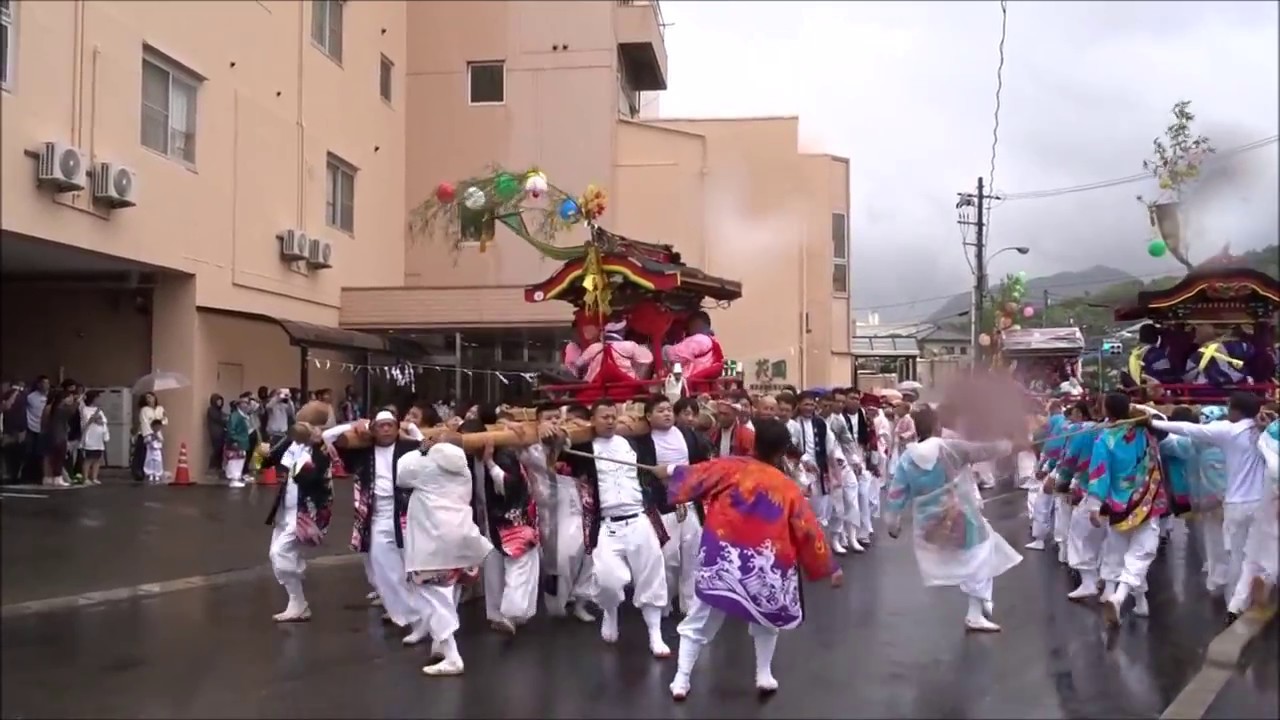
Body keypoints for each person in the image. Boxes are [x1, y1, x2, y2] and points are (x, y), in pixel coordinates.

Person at [660, 418, 842, 700]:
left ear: (755, 444)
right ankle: (763, 673)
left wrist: (669, 471)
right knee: (767, 618)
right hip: (767, 563)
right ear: (782, 450)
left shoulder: (729, 467)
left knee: (701, 617)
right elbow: (808, 529)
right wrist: (828, 566)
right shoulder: (787, 487)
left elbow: (693, 475)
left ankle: (682, 679)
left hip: (723, 557)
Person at [885, 405, 1023, 632]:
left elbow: (897, 492)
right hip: (959, 517)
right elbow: (984, 451)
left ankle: (980, 603)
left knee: (980, 553)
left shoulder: (907, 459)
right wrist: (1011, 445)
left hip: (929, 525)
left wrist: (893, 521)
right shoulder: (950, 448)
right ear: (937, 426)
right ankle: (976, 610)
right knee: (981, 554)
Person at [1145, 392, 1269, 624]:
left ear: (1236, 411)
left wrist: (1153, 421)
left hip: (1234, 504)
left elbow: (1187, 430)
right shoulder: (1264, 432)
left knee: (1233, 553)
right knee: (1254, 555)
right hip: (1259, 503)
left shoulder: (1226, 432)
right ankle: (1253, 591)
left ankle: (1234, 601)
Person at [563, 400, 671, 657]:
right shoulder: (584, 447)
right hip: (608, 525)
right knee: (609, 580)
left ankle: (655, 636)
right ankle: (610, 611)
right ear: (593, 420)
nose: (610, 421)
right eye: (604, 417)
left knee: (651, 577)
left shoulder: (633, 441)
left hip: (638, 519)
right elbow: (556, 450)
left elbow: (650, 424)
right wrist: (568, 424)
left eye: (613, 416)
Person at [324, 411, 427, 643]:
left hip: (406, 512)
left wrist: (413, 430)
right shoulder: (362, 451)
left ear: (396, 427)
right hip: (377, 514)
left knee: (414, 567)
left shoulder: (407, 448)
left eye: (390, 425)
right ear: (373, 429)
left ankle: (424, 618)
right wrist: (353, 425)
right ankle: (409, 617)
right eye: (381, 426)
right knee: (383, 569)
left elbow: (429, 450)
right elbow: (327, 437)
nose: (386, 430)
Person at [398, 441, 494, 677]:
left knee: (434, 599)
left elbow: (401, 474)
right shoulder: (463, 469)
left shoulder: (426, 468)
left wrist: (419, 448)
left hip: (434, 544)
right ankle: (440, 645)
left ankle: (452, 655)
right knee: (449, 593)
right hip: (461, 538)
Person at [1085, 394, 1167, 626]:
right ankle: (1124, 598)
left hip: (1118, 504)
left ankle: (1130, 600)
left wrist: (1094, 506)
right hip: (1147, 501)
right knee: (1140, 554)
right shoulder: (1146, 434)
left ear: (1107, 411)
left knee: (1120, 552)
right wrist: (1137, 413)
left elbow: (1099, 474)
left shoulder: (1105, 439)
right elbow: (1160, 418)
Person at [460, 417, 541, 636]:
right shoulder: (465, 459)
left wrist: (490, 463)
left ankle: (511, 614)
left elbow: (511, 486)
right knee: (494, 571)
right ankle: (498, 615)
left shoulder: (503, 455)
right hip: (489, 522)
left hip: (514, 523)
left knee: (519, 570)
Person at [631, 396, 711, 617]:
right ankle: (664, 600)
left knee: (692, 554)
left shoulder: (688, 436)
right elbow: (642, 474)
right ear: (648, 416)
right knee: (668, 558)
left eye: (668, 410)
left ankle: (690, 602)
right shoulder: (643, 442)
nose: (666, 414)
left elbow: (701, 465)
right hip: (663, 505)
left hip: (689, 502)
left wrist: (674, 472)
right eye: (660, 410)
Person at [519, 404, 596, 623]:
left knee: (579, 550)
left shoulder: (567, 436)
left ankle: (579, 598)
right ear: (538, 420)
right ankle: (556, 603)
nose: (554, 422)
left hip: (571, 502)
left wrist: (572, 426)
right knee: (551, 560)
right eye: (548, 418)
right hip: (541, 507)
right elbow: (508, 425)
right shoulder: (528, 441)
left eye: (556, 417)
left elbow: (575, 430)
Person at [265, 423, 334, 622]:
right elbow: (263, 462)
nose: (310, 430)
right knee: (276, 555)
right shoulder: (291, 446)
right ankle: (298, 602)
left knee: (280, 553)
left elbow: (308, 478)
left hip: (304, 514)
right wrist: (266, 447)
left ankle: (408, 608)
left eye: (315, 427)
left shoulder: (320, 453)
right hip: (285, 512)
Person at [789, 391, 847, 544]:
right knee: (801, 511)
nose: (809, 407)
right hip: (799, 473)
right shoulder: (793, 424)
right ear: (799, 405)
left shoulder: (821, 423)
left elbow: (830, 447)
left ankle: (820, 547)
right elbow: (791, 448)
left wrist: (836, 468)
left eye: (812, 404)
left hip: (820, 472)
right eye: (806, 404)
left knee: (821, 512)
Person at [662, 311, 724, 381]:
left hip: (693, 383)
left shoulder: (698, 339)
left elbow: (674, 355)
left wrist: (663, 348)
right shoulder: (712, 340)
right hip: (703, 382)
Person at [134, 392, 166, 483]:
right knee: (145, 455)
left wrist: (159, 426)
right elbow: (144, 423)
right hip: (147, 434)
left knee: (156, 456)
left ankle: (157, 473)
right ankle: (142, 473)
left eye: (150, 397)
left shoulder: (160, 409)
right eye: (147, 398)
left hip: (157, 433)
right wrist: (149, 434)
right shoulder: (144, 410)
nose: (149, 399)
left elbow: (164, 421)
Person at [224, 396, 255, 487]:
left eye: (247, 403)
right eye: (244, 403)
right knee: (235, 461)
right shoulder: (235, 416)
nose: (247, 405)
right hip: (237, 442)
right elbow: (231, 430)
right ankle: (234, 479)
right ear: (239, 404)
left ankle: (237, 478)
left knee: (240, 460)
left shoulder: (242, 416)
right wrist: (235, 440)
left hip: (242, 441)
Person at [79, 391, 109, 485]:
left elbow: (103, 421)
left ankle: (94, 477)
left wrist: (100, 420)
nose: (99, 400)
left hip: (98, 439)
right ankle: (85, 477)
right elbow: (87, 421)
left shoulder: (99, 410)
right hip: (89, 438)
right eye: (98, 398)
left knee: (97, 458)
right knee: (89, 458)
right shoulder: (85, 410)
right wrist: (95, 418)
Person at [206, 394, 227, 473]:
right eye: (218, 401)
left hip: (221, 433)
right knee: (216, 450)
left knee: (220, 450)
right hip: (215, 433)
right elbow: (219, 418)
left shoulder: (219, 411)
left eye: (221, 401)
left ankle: (218, 467)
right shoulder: (211, 410)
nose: (220, 403)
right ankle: (212, 467)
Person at [143, 419, 165, 484]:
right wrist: (150, 439)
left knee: (157, 462)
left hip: (157, 450)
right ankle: (150, 474)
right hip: (150, 450)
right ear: (152, 427)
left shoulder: (159, 434)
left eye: (158, 426)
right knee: (150, 462)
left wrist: (157, 438)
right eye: (155, 426)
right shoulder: (149, 434)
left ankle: (157, 474)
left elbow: (161, 440)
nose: (157, 428)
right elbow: (145, 441)